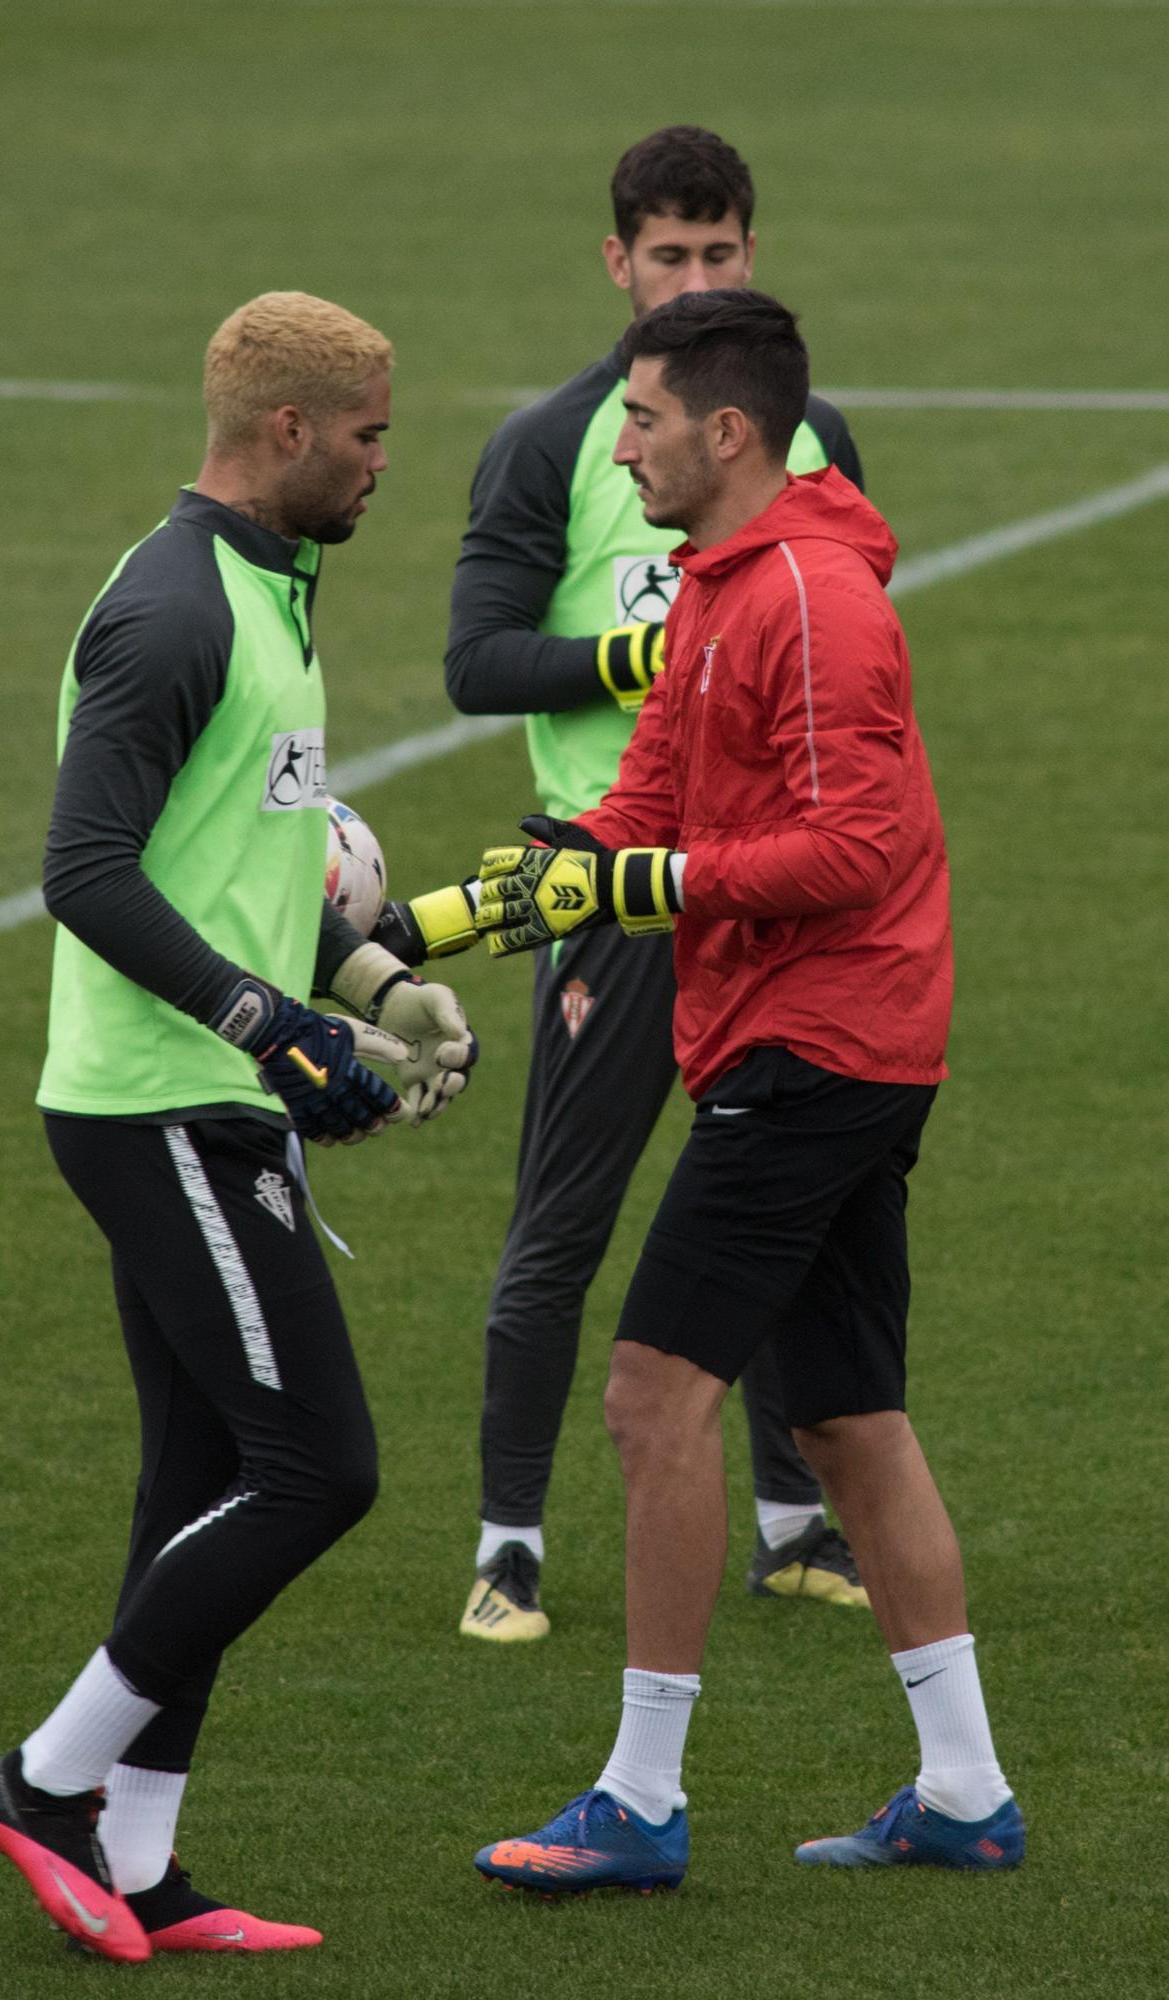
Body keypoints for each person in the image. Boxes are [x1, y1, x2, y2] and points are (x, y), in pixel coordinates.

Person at [470, 288, 1023, 1890]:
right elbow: (647, 792)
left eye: (639, 418)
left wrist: (644, 890)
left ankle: (641, 1802)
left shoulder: (811, 601)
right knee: (852, 1420)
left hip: (820, 1044)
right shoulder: (716, 583)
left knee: (654, 1395)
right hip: (819, 1033)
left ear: (724, 434)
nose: (617, 439)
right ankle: (967, 1789)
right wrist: (517, 890)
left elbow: (858, 847)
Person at [0, 292, 478, 1963]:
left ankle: (143, 1865)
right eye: (370, 437)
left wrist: (372, 979)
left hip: (214, 1091)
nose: (387, 464)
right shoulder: (177, 611)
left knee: (198, 1479)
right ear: (284, 434)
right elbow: (87, 870)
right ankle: (42, 1785)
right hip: (157, 1101)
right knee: (319, 1470)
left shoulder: (273, 589)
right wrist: (273, 1031)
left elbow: (243, 859)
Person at [387, 126, 867, 1640]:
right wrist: (652, 654)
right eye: (672, 256)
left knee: (784, 1203)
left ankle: (795, 1518)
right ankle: (509, 1543)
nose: (699, 279)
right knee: (567, 1218)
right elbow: (474, 659)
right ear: (620, 262)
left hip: (768, 891)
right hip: (612, 888)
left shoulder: (812, 433)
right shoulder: (561, 442)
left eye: (723, 255)